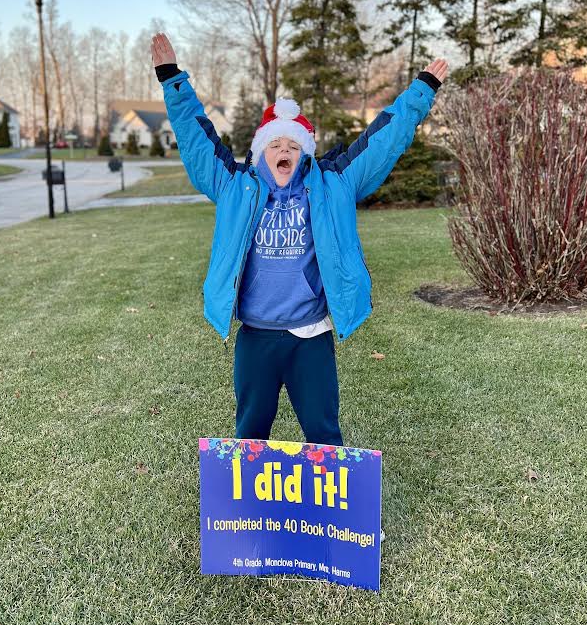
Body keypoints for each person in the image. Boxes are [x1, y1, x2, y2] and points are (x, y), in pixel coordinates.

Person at [151, 33, 448, 446]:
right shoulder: (235, 185)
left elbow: (381, 142)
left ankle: (328, 510)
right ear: (260, 153)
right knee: (250, 434)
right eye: (275, 143)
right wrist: (171, 78)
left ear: (305, 151)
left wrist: (421, 92)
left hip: (312, 335)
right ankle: (250, 509)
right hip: (256, 336)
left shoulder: (333, 183)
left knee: (324, 433)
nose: (284, 149)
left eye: (293, 143)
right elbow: (198, 142)